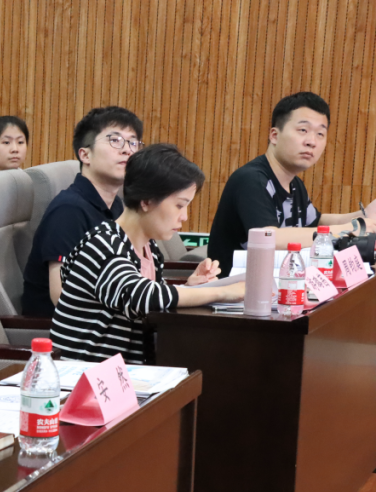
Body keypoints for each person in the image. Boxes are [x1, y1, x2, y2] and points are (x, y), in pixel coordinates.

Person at [50, 144, 245, 364]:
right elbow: (141, 297)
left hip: (126, 370)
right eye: (179, 205)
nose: (184, 216)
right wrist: (223, 293)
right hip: (85, 374)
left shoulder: (149, 248)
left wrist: (191, 288)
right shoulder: (104, 245)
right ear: (146, 201)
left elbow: (152, 303)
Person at [208, 91, 376, 275]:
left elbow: (316, 222)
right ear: (274, 135)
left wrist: (364, 215)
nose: (312, 142)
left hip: (282, 284)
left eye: (320, 133)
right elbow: (270, 238)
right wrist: (346, 229)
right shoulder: (251, 179)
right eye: (303, 130)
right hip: (236, 288)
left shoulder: (295, 184)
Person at [21, 106, 144, 318]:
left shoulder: (116, 206)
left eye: (133, 142)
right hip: (66, 331)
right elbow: (62, 297)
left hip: (110, 317)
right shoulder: (69, 211)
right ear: (85, 155)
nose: (127, 150)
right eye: (115, 140)